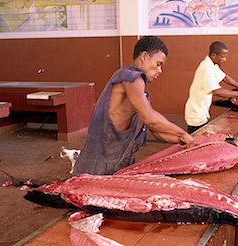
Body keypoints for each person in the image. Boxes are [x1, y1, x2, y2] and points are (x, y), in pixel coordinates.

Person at [73, 36, 194, 175]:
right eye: (158, 63)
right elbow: (151, 119)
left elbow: (156, 132)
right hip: (98, 167)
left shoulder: (139, 93)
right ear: (144, 56)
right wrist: (183, 133)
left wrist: (183, 141)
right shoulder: (131, 77)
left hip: (116, 164)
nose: (160, 70)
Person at [184, 41, 238, 134]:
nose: (225, 59)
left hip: (202, 110)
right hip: (196, 112)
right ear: (214, 55)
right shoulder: (206, 67)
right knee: (195, 139)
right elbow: (217, 91)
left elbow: (225, 77)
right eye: (222, 57)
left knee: (201, 136)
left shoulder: (212, 65)